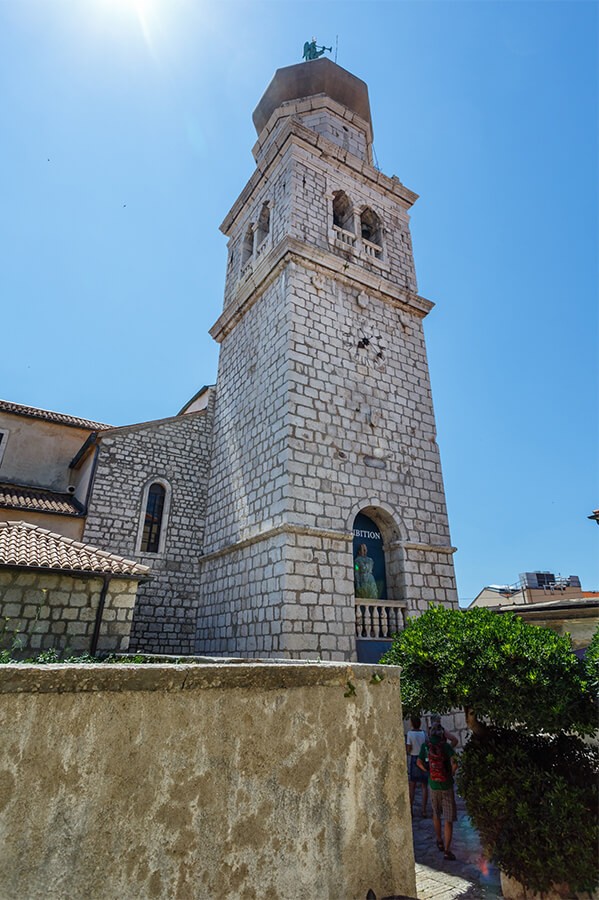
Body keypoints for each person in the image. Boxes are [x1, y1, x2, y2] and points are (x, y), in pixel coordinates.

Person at [417, 721, 458, 861]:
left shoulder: (425, 747)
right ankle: (447, 850)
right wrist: (450, 774)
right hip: (446, 785)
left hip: (433, 785)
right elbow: (455, 764)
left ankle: (439, 840)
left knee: (436, 813)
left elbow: (419, 763)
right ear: (442, 734)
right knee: (448, 818)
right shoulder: (446, 746)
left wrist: (429, 771)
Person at [406, 716, 428, 817]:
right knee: (424, 786)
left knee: (412, 785)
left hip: (414, 758)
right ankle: (424, 810)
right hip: (423, 758)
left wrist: (408, 751)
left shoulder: (410, 734)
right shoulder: (423, 733)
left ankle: (410, 809)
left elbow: (409, 748)